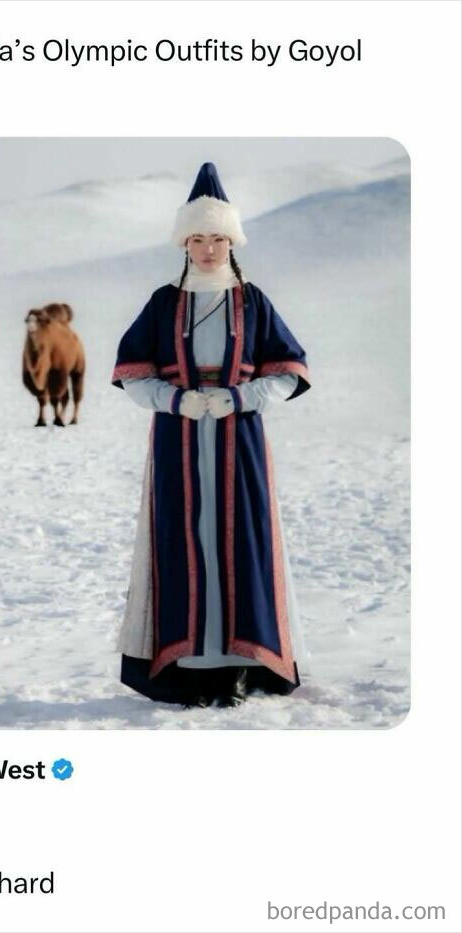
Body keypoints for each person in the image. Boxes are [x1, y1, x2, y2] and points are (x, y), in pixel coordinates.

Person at [111, 162, 311, 708]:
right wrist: (177, 399)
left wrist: (237, 398)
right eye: (196, 238)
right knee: (184, 542)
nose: (207, 249)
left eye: (217, 238)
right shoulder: (162, 303)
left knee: (241, 542)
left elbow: (290, 371)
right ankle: (192, 668)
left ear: (232, 240)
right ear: (183, 243)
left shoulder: (253, 301)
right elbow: (131, 373)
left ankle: (242, 667)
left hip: (239, 441)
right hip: (176, 441)